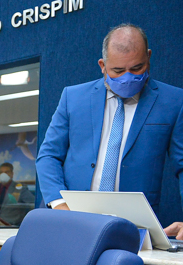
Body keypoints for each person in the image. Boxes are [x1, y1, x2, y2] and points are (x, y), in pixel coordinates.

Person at [37, 24, 183, 213]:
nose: (128, 77)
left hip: (134, 218)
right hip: (72, 214)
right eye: (118, 71)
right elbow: (49, 155)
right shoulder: (73, 98)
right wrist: (58, 203)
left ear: (148, 57)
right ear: (103, 66)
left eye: (137, 68)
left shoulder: (173, 101)